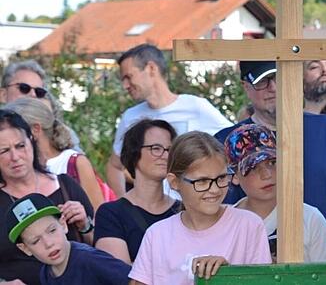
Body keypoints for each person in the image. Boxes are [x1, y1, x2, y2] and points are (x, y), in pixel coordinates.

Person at [214, 61, 326, 220]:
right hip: (255, 243)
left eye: (278, 77)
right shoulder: (225, 142)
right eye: (263, 81)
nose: (273, 87)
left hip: (325, 242)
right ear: (246, 87)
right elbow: (219, 208)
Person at [129, 131, 270, 284]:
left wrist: (228, 276)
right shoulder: (157, 235)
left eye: (221, 178)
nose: (215, 189)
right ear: (174, 182)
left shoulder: (248, 225)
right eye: (202, 181)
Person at [106, 43, 233, 197]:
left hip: (192, 212)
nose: (125, 85)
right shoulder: (130, 117)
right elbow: (114, 166)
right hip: (150, 215)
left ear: (151, 68)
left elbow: (235, 143)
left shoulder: (195, 106)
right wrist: (125, 205)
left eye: (129, 77)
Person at [0, 109, 94, 285]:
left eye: (20, 146)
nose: (15, 157)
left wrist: (84, 224)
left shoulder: (65, 185)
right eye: (4, 151)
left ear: (31, 142)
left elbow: (100, 247)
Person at [224, 123, 326, 263]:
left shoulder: (310, 218)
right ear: (234, 176)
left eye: (272, 163)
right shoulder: (225, 222)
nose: (266, 175)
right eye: (253, 167)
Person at [94, 119, 180, 264]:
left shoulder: (183, 210)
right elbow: (119, 275)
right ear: (134, 153)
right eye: (156, 148)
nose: (165, 155)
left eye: (169, 150)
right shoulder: (111, 214)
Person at [4, 97, 107, 211]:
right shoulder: (16, 168)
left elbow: (99, 214)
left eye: (16, 126)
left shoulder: (74, 162)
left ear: (35, 129)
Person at [5, 193, 130, 284]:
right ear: (25, 248)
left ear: (63, 224)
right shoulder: (46, 273)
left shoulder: (88, 259)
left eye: (52, 230)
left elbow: (134, 281)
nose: (48, 243)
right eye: (36, 241)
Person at [1, 60, 83, 152]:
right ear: (3, 95)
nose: (33, 95)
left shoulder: (61, 133)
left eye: (39, 92)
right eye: (24, 88)